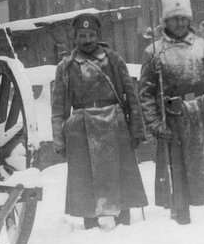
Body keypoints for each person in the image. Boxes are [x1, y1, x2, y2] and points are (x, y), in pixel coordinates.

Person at [139, 0, 204, 224]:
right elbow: (145, 94)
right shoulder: (153, 51)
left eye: (183, 18)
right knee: (180, 173)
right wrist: (155, 124)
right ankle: (183, 221)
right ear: (165, 21)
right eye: (174, 19)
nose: (179, 23)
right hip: (174, 116)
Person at [51, 13, 148, 229]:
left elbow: (131, 96)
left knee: (121, 173)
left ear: (98, 35)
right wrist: (60, 140)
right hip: (81, 126)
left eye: (92, 35)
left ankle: (123, 221)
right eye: (82, 35)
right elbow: (58, 108)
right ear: (74, 37)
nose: (87, 40)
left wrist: (137, 129)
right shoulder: (66, 67)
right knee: (86, 177)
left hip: (114, 122)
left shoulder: (113, 60)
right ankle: (90, 224)